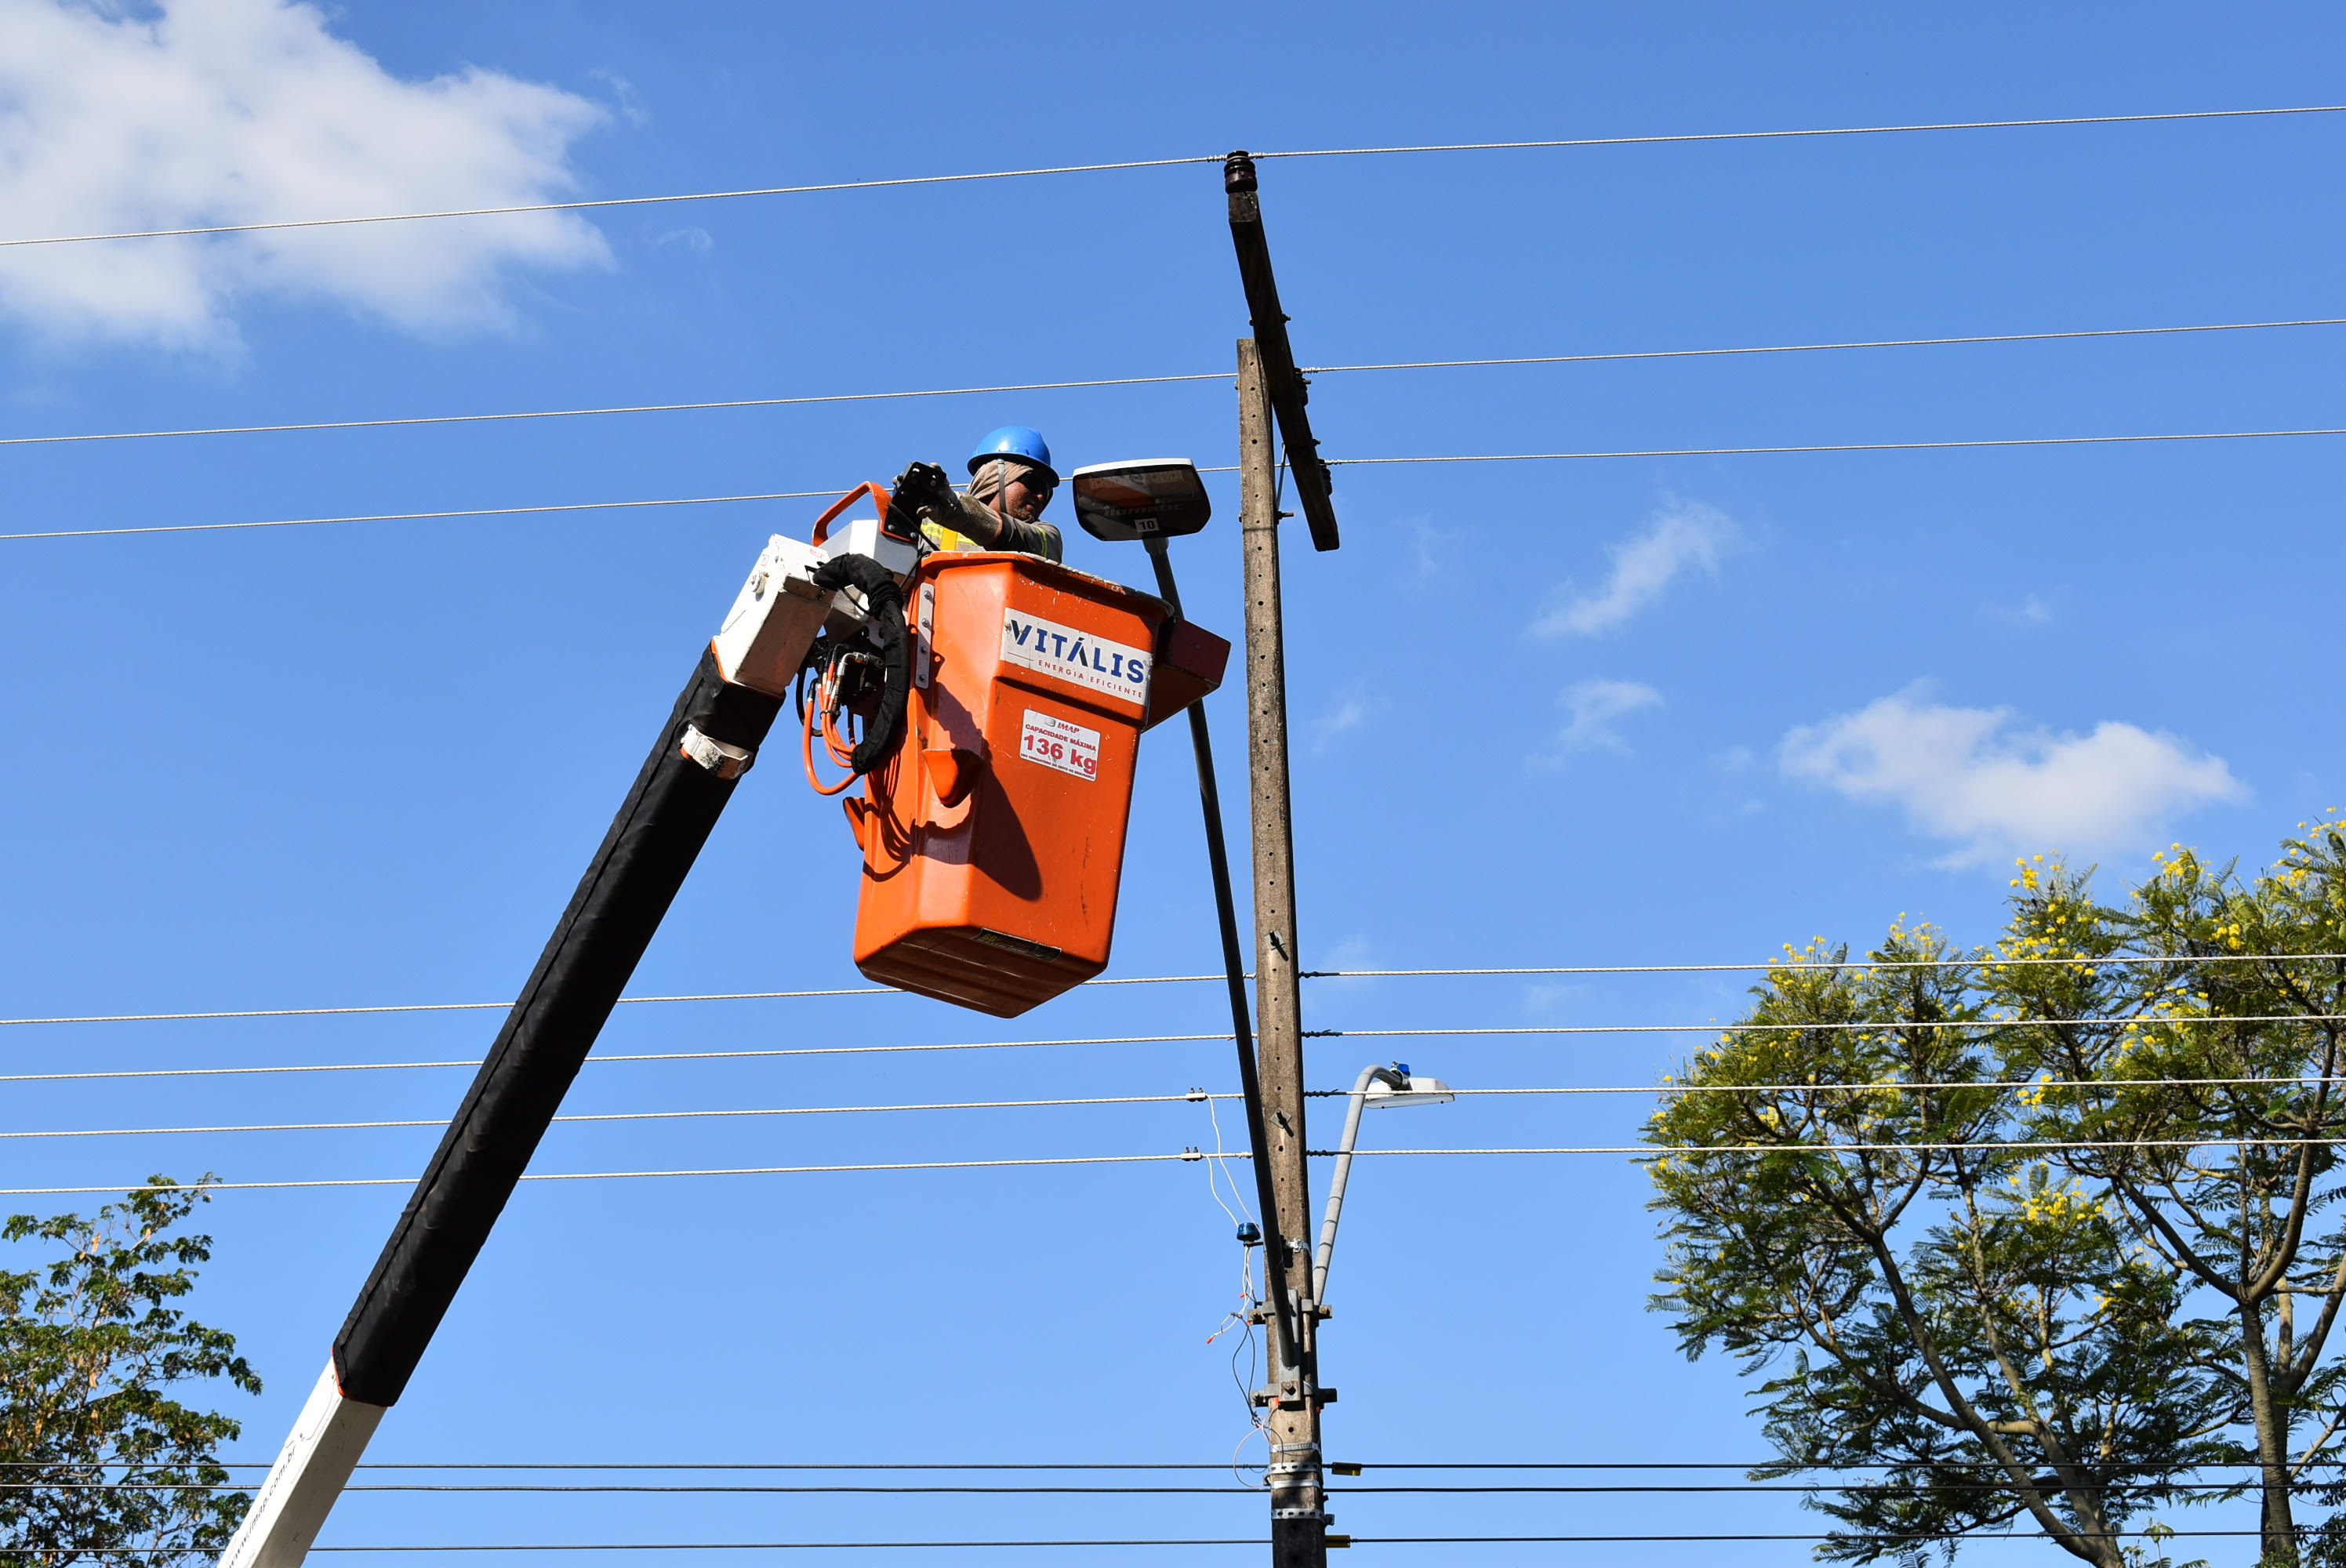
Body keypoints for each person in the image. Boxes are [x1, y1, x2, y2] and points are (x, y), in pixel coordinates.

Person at [891, 426, 1064, 562]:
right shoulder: (929, 517)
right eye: (1034, 484)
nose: (1041, 497)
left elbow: (1018, 537)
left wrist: (960, 513)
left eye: (1047, 492)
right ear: (996, 476)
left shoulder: (1047, 537)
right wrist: (901, 514)